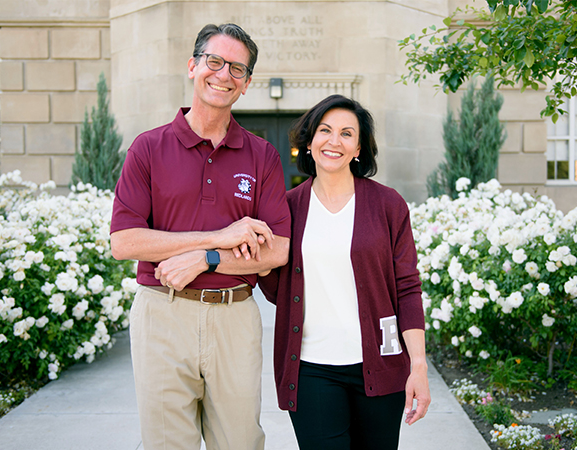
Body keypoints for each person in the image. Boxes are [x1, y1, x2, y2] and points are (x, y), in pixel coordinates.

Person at [110, 23, 291, 450]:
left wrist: (206, 258)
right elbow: (125, 242)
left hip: (234, 315)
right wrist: (221, 236)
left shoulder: (261, 154)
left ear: (246, 85)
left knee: (241, 442)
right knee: (168, 443)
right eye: (214, 61)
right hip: (162, 313)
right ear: (193, 66)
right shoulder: (148, 148)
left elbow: (278, 250)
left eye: (238, 69)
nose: (223, 74)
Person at [258, 94, 430, 450]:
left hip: (380, 367)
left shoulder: (387, 205)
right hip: (311, 369)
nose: (334, 141)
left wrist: (418, 366)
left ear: (359, 149)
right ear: (308, 142)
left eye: (347, 133)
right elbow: (274, 286)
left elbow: (407, 288)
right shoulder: (287, 209)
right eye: (325, 130)